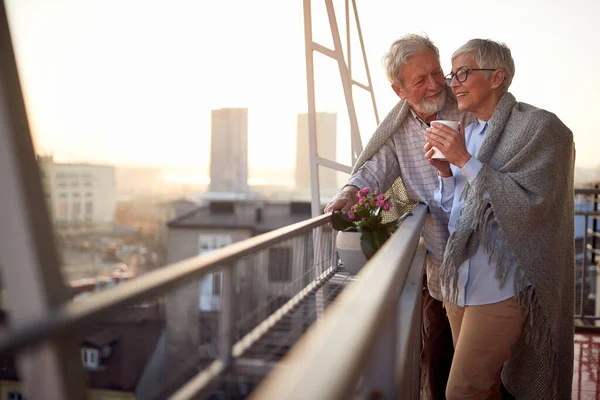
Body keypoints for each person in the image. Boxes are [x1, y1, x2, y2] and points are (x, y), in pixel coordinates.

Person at [324, 34, 475, 400]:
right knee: (438, 364)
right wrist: (348, 193)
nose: (435, 84)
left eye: (437, 73)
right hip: (442, 260)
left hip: (488, 258)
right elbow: (376, 169)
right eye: (420, 80)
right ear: (398, 90)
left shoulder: (470, 106)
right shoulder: (399, 129)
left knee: (485, 368)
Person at [424, 39, 574, 399]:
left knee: (463, 390)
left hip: (505, 283)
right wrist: (445, 173)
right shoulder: (468, 133)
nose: (453, 83)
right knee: (483, 387)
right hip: (458, 280)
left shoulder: (540, 128)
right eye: (452, 74)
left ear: (496, 77)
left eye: (463, 73)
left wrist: (463, 160)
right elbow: (456, 210)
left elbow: (535, 204)